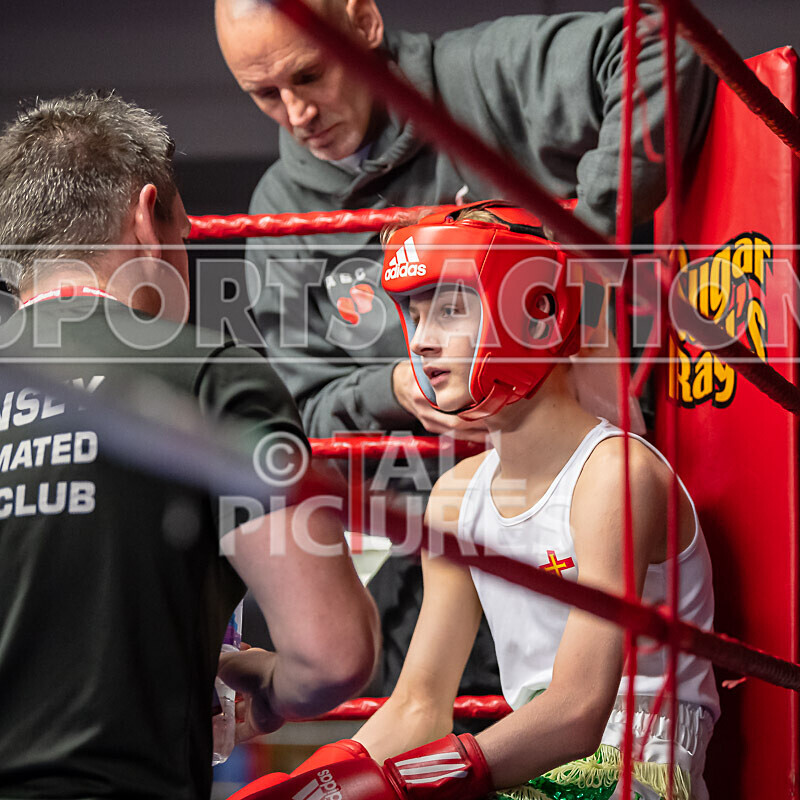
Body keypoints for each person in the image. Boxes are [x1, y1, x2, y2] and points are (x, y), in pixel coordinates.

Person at [214, 0, 714, 699]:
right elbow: (300, 418)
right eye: (264, 94)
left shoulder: (480, 78)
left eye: (311, 74)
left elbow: (667, 45)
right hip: (433, 552)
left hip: (585, 514)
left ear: (363, 22)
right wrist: (392, 389)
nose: (297, 113)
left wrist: (570, 258)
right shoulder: (283, 209)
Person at [230, 202, 720, 800]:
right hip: (529, 766)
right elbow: (418, 706)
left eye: (452, 310)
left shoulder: (615, 476)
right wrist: (316, 784)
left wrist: (398, 785)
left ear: (538, 313)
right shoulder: (457, 496)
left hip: (637, 771)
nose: (425, 342)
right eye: (415, 313)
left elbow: (577, 712)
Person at [0, 91, 379, 799]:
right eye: (184, 232)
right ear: (149, 219)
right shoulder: (212, 373)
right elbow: (334, 653)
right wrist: (267, 687)